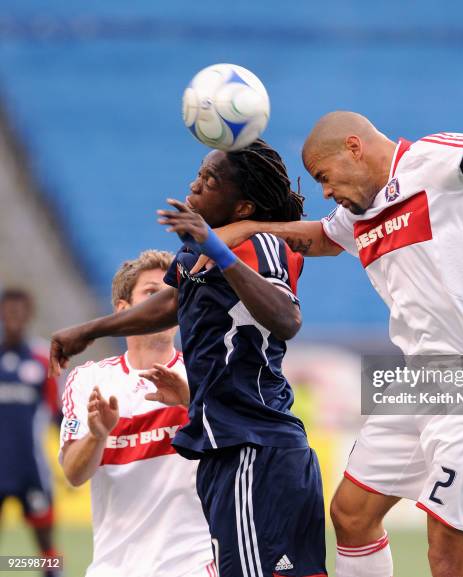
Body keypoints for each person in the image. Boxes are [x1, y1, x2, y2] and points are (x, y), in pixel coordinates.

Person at [207, 105, 463, 577]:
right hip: (419, 380)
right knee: (351, 514)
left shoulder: (431, 161)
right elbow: (321, 236)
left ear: (354, 148)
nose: (325, 192)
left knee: (446, 551)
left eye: (325, 177)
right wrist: (247, 229)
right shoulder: (358, 212)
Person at [50, 140, 327, 577]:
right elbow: (172, 303)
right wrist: (90, 330)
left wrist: (217, 248)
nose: (195, 184)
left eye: (210, 180)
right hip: (229, 450)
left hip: (251, 447)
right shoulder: (199, 255)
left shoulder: (260, 244)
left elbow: (286, 318)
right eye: (199, 173)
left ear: (242, 206)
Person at [59, 250, 215, 577]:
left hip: (192, 566)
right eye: (151, 293)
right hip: (112, 568)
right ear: (123, 310)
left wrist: (190, 403)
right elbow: (73, 474)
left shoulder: (204, 374)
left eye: (172, 295)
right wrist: (98, 435)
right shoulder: (89, 379)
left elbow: (239, 451)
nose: (166, 306)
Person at [0, 288, 61, 577]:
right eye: (8, 311)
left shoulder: (40, 359)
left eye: (19, 311)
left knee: (47, 554)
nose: (13, 317)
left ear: (28, 315)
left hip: (31, 470)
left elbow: (57, 414)